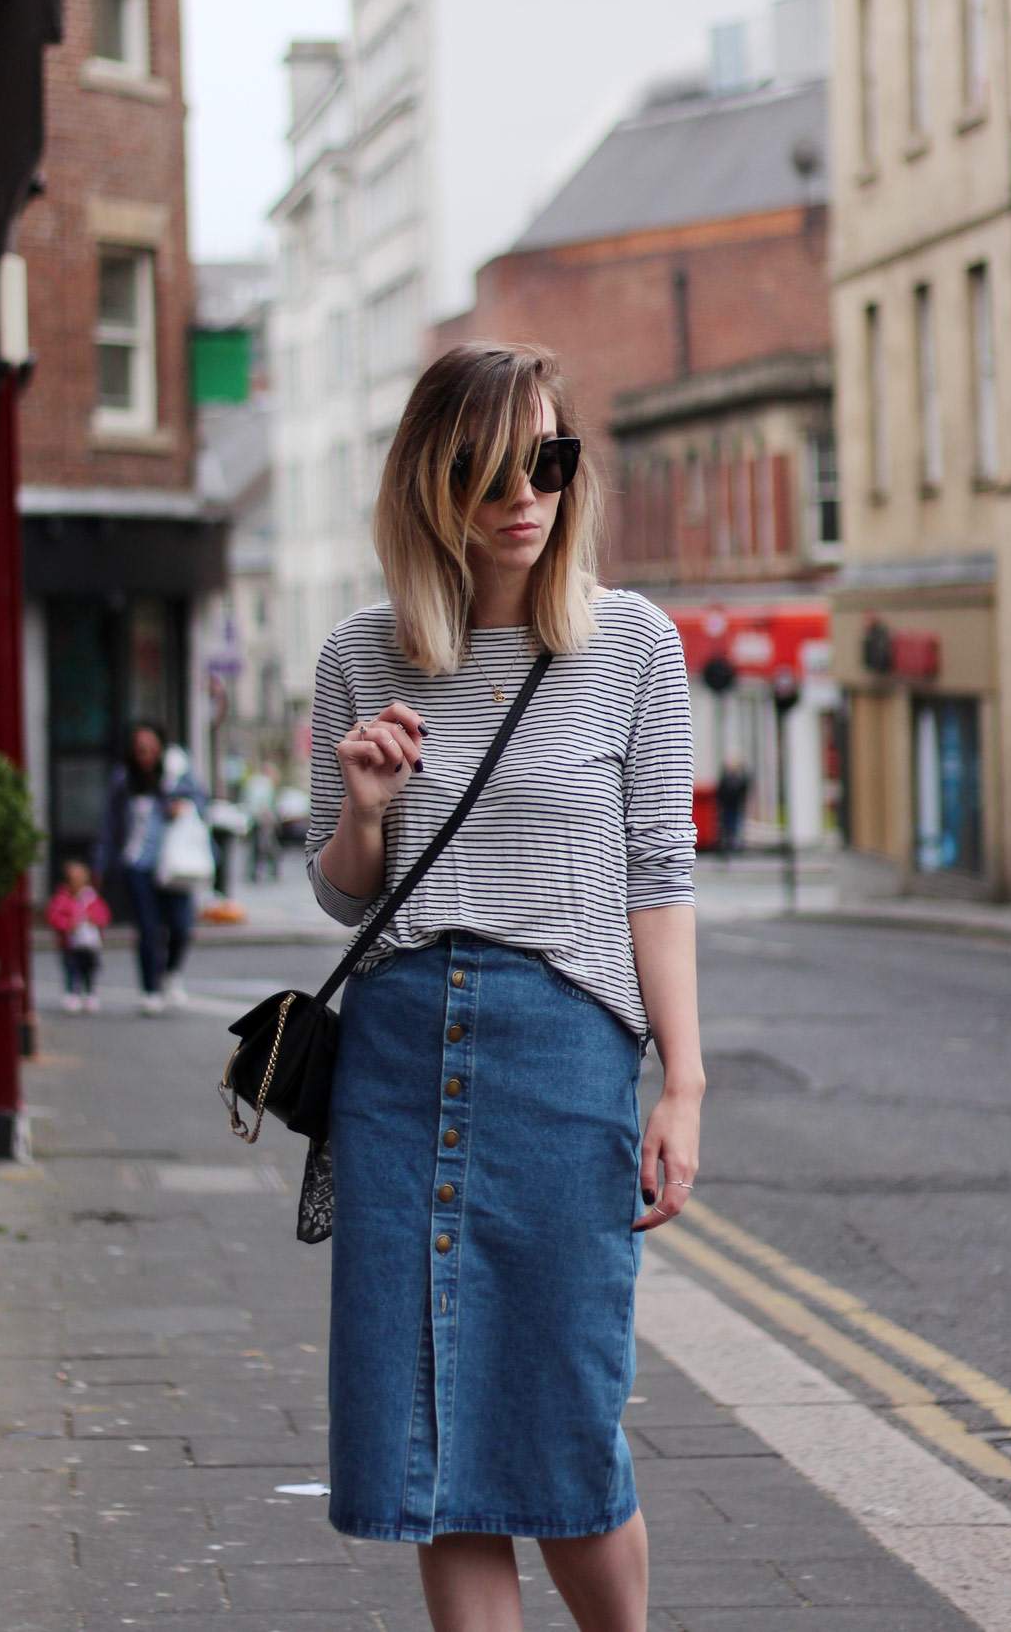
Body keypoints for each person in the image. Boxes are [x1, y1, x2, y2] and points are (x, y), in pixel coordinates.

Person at [304, 342, 702, 1632]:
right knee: (438, 1446)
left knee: (565, 1422)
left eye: (547, 460)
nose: (522, 495)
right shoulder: (363, 657)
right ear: (433, 484)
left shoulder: (632, 644)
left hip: (561, 1053)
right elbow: (345, 891)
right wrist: (365, 809)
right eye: (487, 472)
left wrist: (683, 1085)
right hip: (398, 1059)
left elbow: (656, 875)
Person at [94, 722, 206, 1015]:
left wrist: (180, 805)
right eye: (139, 748)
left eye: (150, 747)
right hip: (138, 865)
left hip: (173, 866)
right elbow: (110, 824)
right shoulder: (123, 780)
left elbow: (201, 802)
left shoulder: (176, 775)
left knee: (180, 927)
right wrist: (102, 863)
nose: (145, 753)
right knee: (147, 928)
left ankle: (171, 973)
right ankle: (150, 988)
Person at [47, 859, 110, 1012]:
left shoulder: (92, 897)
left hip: (90, 943)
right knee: (71, 969)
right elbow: (53, 916)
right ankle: (71, 994)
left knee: (89, 969)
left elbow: (104, 914)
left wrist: (94, 919)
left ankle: (90, 994)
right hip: (71, 943)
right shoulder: (62, 898)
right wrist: (68, 925)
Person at [242, 760, 281, 881]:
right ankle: (270, 871)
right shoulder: (265, 784)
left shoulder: (254, 782)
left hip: (254, 819)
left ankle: (254, 872)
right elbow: (264, 804)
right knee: (266, 846)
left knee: (257, 846)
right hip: (263, 820)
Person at [715, 756, 751, 859]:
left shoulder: (736, 780)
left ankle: (733, 844)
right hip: (728, 807)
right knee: (728, 826)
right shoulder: (727, 779)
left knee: (734, 826)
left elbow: (744, 787)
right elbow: (721, 791)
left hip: (735, 807)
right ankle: (729, 845)